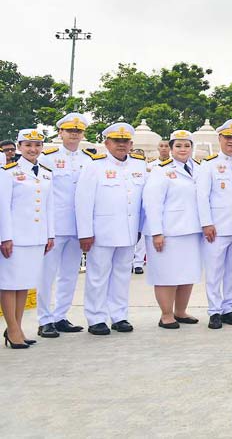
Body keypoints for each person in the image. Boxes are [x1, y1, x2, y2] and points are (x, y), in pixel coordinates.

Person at [74, 123, 147, 335]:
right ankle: (96, 318)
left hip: (129, 231)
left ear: (131, 144)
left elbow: (142, 202)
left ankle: (119, 316)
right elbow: (83, 202)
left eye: (125, 141)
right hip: (101, 232)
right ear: (107, 143)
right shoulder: (94, 166)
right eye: (116, 141)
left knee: (122, 275)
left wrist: (140, 228)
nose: (121, 145)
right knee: (97, 276)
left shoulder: (139, 165)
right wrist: (85, 233)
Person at [142, 130, 203, 329]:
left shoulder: (199, 168)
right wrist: (157, 232)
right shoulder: (160, 170)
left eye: (187, 145)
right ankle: (166, 314)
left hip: (191, 230)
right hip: (168, 231)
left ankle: (180, 311)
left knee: (187, 274)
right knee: (166, 275)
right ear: (170, 148)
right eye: (178, 146)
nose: (183, 149)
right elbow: (152, 203)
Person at [36, 113, 90, 338]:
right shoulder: (47, 158)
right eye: (70, 130)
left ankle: (60, 316)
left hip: (78, 227)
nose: (74, 134)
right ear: (60, 133)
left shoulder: (89, 160)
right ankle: (44, 319)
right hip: (55, 226)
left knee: (69, 274)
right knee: (46, 275)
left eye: (78, 131)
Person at [0, 129, 54, 349]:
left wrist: (50, 234)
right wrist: (5, 237)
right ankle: (12, 329)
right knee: (9, 283)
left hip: (37, 236)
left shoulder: (46, 172)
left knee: (23, 284)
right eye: (28, 145)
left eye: (37, 145)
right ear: (19, 147)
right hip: (15, 237)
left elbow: (49, 206)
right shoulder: (8, 171)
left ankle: (18, 327)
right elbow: (3, 206)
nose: (33, 149)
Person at [196, 119, 232, 329]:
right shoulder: (209, 164)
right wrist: (206, 223)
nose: (231, 141)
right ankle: (214, 311)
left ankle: (228, 308)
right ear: (220, 138)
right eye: (228, 137)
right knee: (214, 271)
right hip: (216, 228)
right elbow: (202, 196)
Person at [134, 140, 170, 274]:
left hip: (167, 206)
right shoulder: (150, 166)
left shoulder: (174, 165)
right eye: (161, 146)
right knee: (143, 235)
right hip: (149, 204)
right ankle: (138, 262)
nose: (164, 148)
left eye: (166, 146)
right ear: (157, 148)